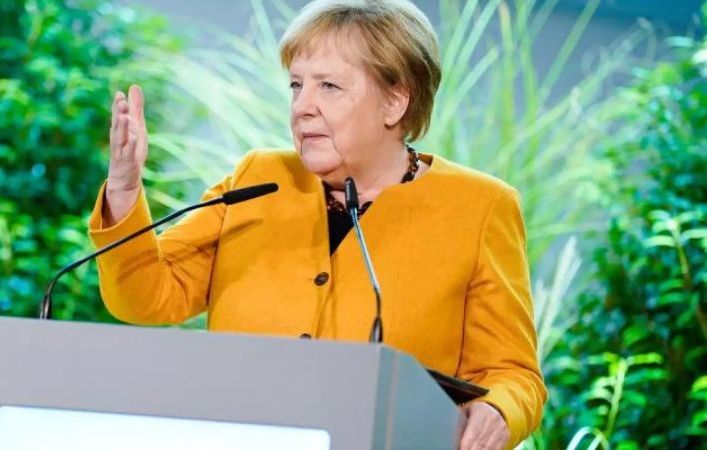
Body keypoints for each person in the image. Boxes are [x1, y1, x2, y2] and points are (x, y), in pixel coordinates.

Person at [89, 0, 546, 448]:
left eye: (328, 86)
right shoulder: (258, 178)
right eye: (296, 85)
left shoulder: (480, 207)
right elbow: (145, 296)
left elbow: (514, 373)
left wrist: (500, 409)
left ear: (394, 101)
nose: (302, 106)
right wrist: (125, 190)